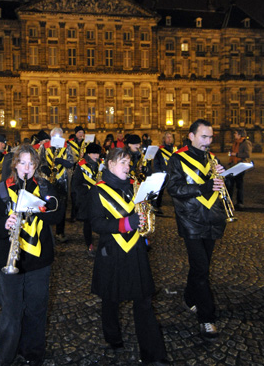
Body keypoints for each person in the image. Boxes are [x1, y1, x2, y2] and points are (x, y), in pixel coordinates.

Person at [88, 148, 169, 365]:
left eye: (128, 163)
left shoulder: (134, 186)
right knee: (110, 300)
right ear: (110, 165)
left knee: (143, 301)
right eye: (123, 162)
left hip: (135, 250)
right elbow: (96, 223)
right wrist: (126, 223)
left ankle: (153, 355)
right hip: (112, 252)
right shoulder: (98, 191)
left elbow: (140, 212)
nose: (128, 166)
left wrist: (146, 211)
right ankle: (113, 338)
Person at [0, 143, 61, 366]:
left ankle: (33, 354)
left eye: (31, 163)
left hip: (39, 260)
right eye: (22, 163)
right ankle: (6, 356)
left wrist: (42, 209)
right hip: (10, 258)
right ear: (15, 165)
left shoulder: (45, 188)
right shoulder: (1, 190)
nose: (26, 168)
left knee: (37, 310)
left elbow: (57, 216)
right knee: (11, 312)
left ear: (36, 166)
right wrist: (4, 223)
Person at [167, 119, 227, 341]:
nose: (208, 142)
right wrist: (202, 187)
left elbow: (216, 186)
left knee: (201, 266)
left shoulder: (211, 158)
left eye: (210, 137)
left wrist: (222, 178)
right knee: (202, 269)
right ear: (191, 136)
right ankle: (206, 318)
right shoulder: (177, 158)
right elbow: (173, 188)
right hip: (190, 220)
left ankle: (189, 298)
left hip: (212, 218)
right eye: (204, 137)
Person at [39, 127, 74, 243]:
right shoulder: (44, 146)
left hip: (62, 180)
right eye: (54, 137)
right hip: (47, 180)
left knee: (62, 206)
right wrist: (44, 167)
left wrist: (63, 162)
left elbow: (71, 162)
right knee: (46, 206)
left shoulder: (66, 146)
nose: (57, 139)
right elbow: (40, 160)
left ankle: (60, 232)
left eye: (59, 137)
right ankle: (46, 231)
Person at [71, 142, 102, 256]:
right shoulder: (81, 165)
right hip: (87, 198)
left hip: (100, 198)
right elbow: (76, 184)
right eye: (93, 153)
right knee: (88, 223)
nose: (96, 156)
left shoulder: (101, 163)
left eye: (97, 153)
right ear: (88, 154)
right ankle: (89, 245)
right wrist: (87, 191)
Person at [227, 128, 252, 210]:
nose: (234, 134)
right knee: (230, 184)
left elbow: (247, 154)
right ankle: (229, 201)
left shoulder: (246, 143)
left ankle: (240, 202)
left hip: (241, 165)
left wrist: (236, 154)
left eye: (236, 133)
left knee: (239, 185)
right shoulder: (236, 143)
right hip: (234, 165)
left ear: (240, 134)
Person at [153, 131, 177, 215]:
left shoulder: (175, 149)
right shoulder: (160, 150)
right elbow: (156, 162)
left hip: (174, 173)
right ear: (164, 139)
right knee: (160, 191)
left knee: (176, 191)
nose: (169, 138)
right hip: (163, 173)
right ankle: (157, 206)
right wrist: (158, 173)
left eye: (170, 137)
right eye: (167, 137)